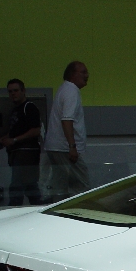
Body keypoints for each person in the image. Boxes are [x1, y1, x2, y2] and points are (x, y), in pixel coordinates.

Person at [43, 61, 90, 200]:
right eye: (83, 72)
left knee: (60, 186)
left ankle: (57, 208)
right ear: (72, 74)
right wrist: (72, 146)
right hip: (64, 149)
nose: (87, 75)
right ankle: (81, 210)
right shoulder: (71, 91)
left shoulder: (64, 89)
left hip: (56, 147)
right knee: (82, 185)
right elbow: (67, 120)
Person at [0, 78, 42, 205]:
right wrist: (4, 139)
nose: (13, 94)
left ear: (23, 91)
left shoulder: (29, 107)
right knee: (30, 185)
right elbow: (16, 130)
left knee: (18, 185)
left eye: (16, 90)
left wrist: (14, 140)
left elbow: (35, 130)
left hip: (26, 153)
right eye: (10, 91)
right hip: (18, 153)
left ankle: (15, 208)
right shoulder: (16, 109)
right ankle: (36, 205)